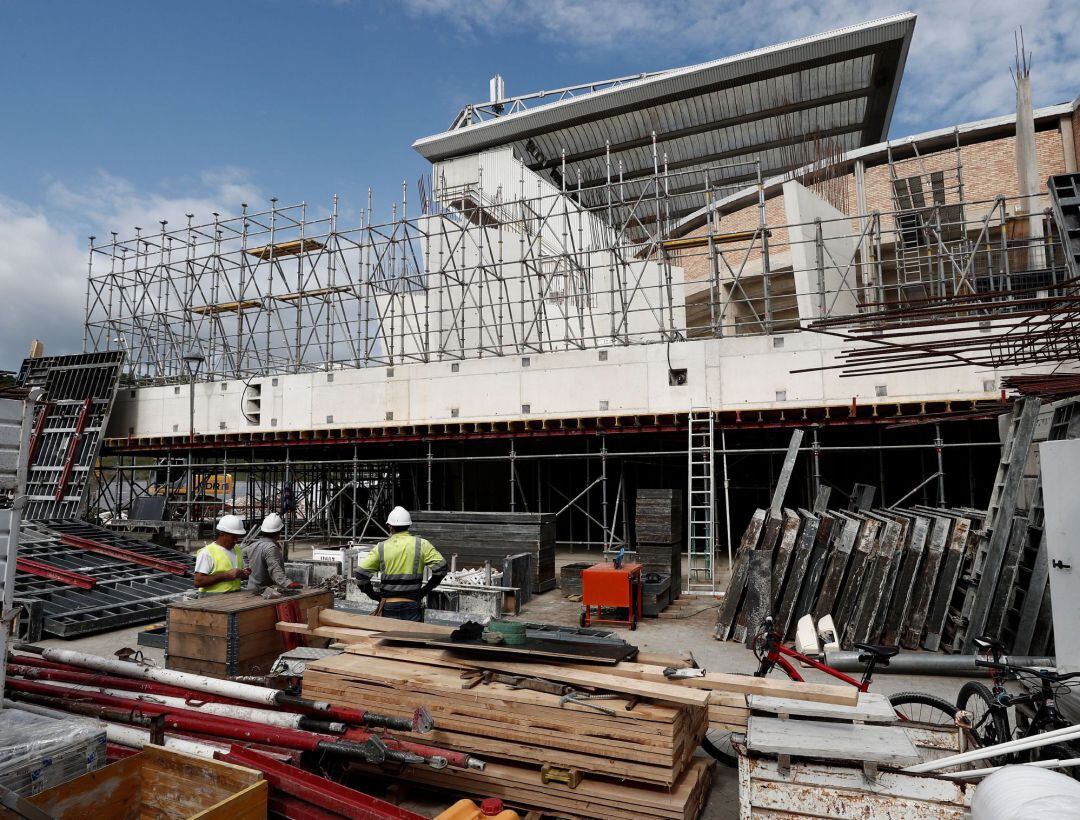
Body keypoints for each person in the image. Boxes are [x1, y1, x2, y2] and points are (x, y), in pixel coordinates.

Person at [355, 506, 448, 621]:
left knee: (387, 638)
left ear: (390, 526)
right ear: (408, 526)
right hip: (413, 604)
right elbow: (442, 568)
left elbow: (360, 575)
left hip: (388, 605)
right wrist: (425, 590)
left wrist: (374, 595)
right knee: (411, 638)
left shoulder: (381, 547)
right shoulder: (422, 545)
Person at [245, 513, 302, 595]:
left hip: (251, 589)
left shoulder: (253, 545)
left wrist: (246, 567)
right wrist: (287, 583)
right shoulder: (271, 548)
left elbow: (243, 553)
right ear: (279, 532)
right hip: (264, 592)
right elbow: (275, 569)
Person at [194, 514, 250, 595]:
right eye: (233, 537)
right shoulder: (207, 553)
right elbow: (198, 582)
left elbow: (236, 575)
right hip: (212, 602)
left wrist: (243, 574)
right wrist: (225, 576)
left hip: (233, 599)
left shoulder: (237, 549)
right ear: (222, 534)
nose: (236, 540)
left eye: (238, 537)